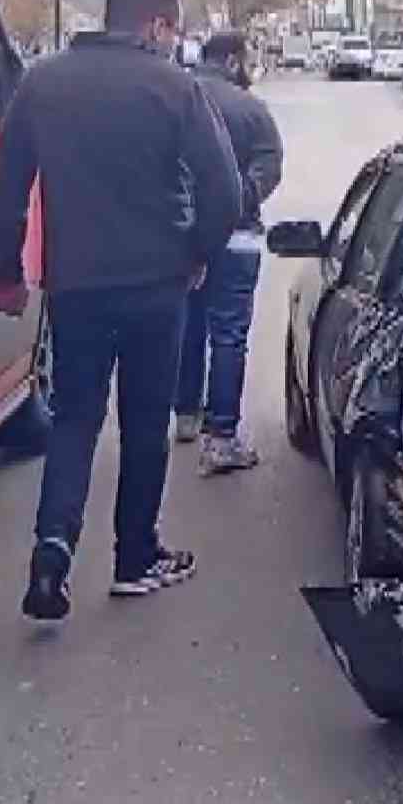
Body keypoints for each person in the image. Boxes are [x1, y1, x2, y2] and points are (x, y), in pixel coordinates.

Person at [0, 0, 243, 620]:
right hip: (157, 286)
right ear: (154, 23)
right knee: (145, 423)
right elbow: (225, 191)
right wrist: (198, 255)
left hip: (76, 288)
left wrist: (4, 273)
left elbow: (6, 184)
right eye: (172, 28)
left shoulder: (42, 82)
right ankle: (135, 557)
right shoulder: (174, 87)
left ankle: (52, 547)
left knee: (75, 417)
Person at [175, 32, 284, 474]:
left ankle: (185, 414)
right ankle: (221, 435)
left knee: (189, 325)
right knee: (229, 334)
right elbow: (270, 164)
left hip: (183, 237)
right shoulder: (251, 108)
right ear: (235, 59)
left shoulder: (178, 99)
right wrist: (240, 197)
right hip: (237, 237)